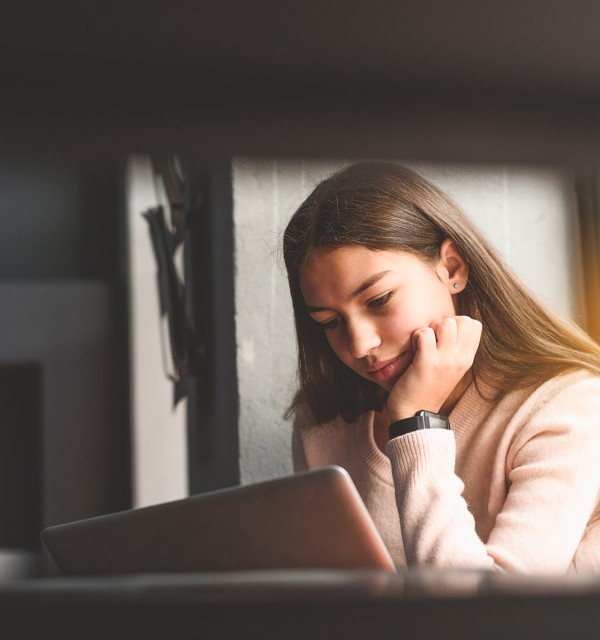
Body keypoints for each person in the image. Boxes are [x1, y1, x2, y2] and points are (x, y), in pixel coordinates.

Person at [283, 161, 600, 573]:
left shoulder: (568, 406)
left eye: (379, 300)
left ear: (452, 269)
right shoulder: (322, 423)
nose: (361, 345)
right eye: (330, 322)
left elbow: (491, 618)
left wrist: (415, 424)